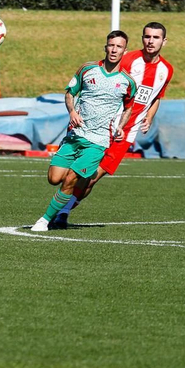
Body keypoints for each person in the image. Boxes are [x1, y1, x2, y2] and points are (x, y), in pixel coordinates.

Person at [50, 22, 174, 227]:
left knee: (92, 178)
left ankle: (62, 213)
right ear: (142, 38)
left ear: (164, 41)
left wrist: (149, 117)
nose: (150, 41)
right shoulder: (129, 59)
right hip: (102, 126)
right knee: (75, 175)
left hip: (127, 133)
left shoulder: (166, 70)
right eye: (147, 37)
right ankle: (56, 210)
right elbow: (102, 72)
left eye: (156, 37)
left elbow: (156, 97)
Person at [30, 31, 136, 232]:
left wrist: (120, 126)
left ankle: (44, 220)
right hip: (75, 135)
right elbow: (70, 93)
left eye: (119, 46)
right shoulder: (87, 69)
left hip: (98, 141)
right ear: (105, 47)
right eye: (111, 45)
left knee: (70, 179)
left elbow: (129, 106)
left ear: (125, 50)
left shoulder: (127, 82)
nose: (114, 50)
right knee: (54, 178)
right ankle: (84, 176)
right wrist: (72, 112)